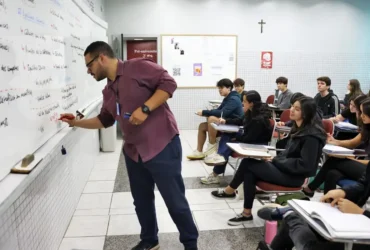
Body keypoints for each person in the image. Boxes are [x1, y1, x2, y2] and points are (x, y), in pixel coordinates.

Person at [60, 41, 198, 250]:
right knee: (141, 201)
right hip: (134, 153)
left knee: (175, 202)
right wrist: (75, 122)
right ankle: (150, 240)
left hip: (161, 146)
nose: (88, 71)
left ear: (102, 58)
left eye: (89, 65)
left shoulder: (138, 67)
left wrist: (145, 108)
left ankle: (190, 243)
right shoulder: (108, 90)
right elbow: (105, 120)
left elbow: (169, 84)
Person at [210, 97, 327, 226]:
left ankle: (230, 190)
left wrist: (276, 161)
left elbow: (306, 166)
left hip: (294, 177)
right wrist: (274, 159)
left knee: (248, 163)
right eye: (293, 106)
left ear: (306, 113)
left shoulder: (311, 137)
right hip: (284, 169)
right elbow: (287, 153)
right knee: (249, 172)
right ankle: (246, 213)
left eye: (297, 109)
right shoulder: (298, 128)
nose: (292, 110)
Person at [257, 162, 370, 250]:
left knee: (307, 240)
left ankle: (289, 214)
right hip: (360, 224)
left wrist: (361, 212)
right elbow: (363, 185)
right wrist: (344, 192)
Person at [303, 95, 370, 196]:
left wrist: (351, 159)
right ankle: (328, 203)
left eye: (363, 113)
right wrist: (334, 141)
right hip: (364, 168)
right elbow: (352, 143)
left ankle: (310, 188)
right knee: (332, 173)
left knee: (334, 160)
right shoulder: (367, 128)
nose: (361, 116)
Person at [201, 90, 272, 184]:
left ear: (251, 103)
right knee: (227, 134)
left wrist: (236, 138)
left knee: (228, 141)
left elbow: (249, 138)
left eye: (245, 101)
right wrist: (226, 121)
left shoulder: (259, 119)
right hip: (249, 137)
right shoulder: (251, 111)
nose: (242, 103)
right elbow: (240, 121)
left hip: (256, 144)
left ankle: (219, 162)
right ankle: (220, 158)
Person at [187, 78, 244, 160]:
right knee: (202, 126)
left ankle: (212, 147)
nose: (219, 90)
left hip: (235, 125)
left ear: (229, 88)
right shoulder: (228, 98)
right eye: (219, 88)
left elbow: (222, 113)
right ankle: (199, 151)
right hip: (227, 123)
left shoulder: (234, 99)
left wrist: (204, 112)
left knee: (212, 119)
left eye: (221, 88)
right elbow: (219, 110)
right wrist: (206, 112)